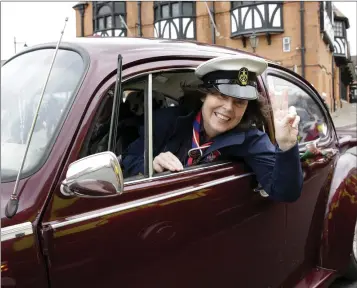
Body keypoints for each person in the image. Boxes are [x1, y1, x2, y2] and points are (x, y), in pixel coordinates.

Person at [122, 55, 303, 202]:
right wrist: (151, 164)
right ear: (204, 96)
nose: (228, 108)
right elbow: (128, 160)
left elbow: (284, 192)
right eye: (221, 96)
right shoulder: (166, 121)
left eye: (239, 102)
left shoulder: (250, 140)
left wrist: (286, 145)